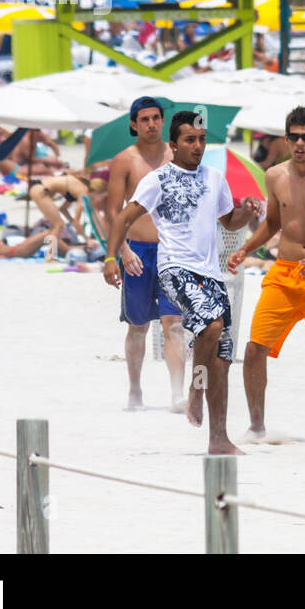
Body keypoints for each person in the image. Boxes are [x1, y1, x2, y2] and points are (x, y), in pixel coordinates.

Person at [105, 110, 259, 454]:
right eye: (190, 140)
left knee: (221, 358)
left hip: (210, 274)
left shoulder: (215, 178)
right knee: (211, 327)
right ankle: (195, 389)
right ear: (173, 144)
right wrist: (110, 258)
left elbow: (229, 222)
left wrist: (247, 212)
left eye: (202, 140)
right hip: (174, 269)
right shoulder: (158, 180)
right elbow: (123, 219)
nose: (198, 146)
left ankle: (219, 438)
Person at [226, 106, 305, 443]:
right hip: (284, 273)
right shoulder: (275, 175)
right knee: (254, 349)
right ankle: (256, 425)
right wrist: (246, 249)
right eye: (293, 137)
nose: (299, 143)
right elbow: (273, 223)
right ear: (285, 138)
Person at [107, 97, 187, 412]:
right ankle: (135, 390)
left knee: (174, 321)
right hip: (137, 249)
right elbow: (112, 210)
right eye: (144, 119)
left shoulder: (177, 156)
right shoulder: (125, 160)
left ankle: (177, 393)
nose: (151, 124)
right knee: (138, 324)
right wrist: (120, 250)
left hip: (171, 250)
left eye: (156, 118)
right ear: (133, 124)